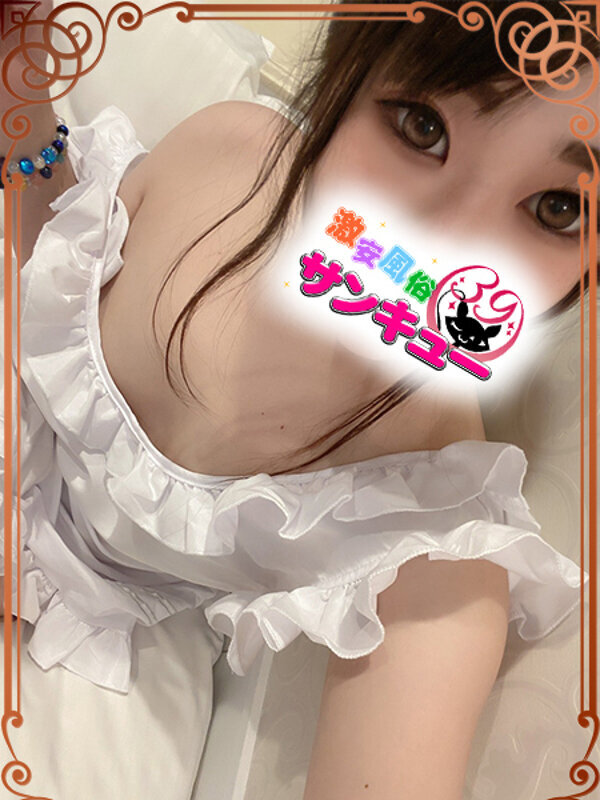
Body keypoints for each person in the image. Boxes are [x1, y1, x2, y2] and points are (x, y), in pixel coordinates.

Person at [0, 1, 596, 797]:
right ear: (343, 78)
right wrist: (23, 95)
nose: (444, 249)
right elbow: (55, 251)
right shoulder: (229, 147)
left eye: (559, 208)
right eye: (422, 127)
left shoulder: (432, 536)